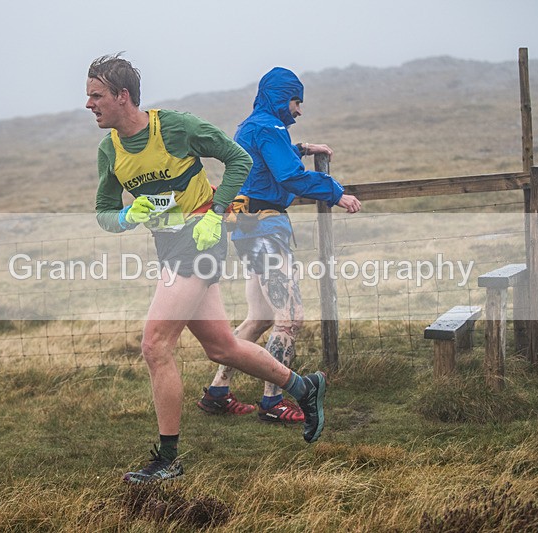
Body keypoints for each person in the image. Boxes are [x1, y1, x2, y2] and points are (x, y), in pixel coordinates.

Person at [86, 54, 327, 483]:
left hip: (201, 240)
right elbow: (104, 211)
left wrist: (216, 212)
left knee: (155, 345)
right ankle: (304, 387)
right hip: (170, 245)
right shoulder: (110, 150)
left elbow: (239, 160)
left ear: (123, 96)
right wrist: (126, 217)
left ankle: (168, 460)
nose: (89, 104)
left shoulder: (177, 127)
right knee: (222, 347)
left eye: (96, 95)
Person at [197, 67, 360, 424]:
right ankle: (273, 402)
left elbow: (268, 161)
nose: (299, 110)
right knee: (290, 317)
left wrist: (301, 147)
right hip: (263, 228)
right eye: (295, 101)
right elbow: (288, 176)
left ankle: (217, 392)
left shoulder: (256, 126)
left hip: (249, 226)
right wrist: (337, 194)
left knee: (261, 317)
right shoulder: (268, 127)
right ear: (279, 97)